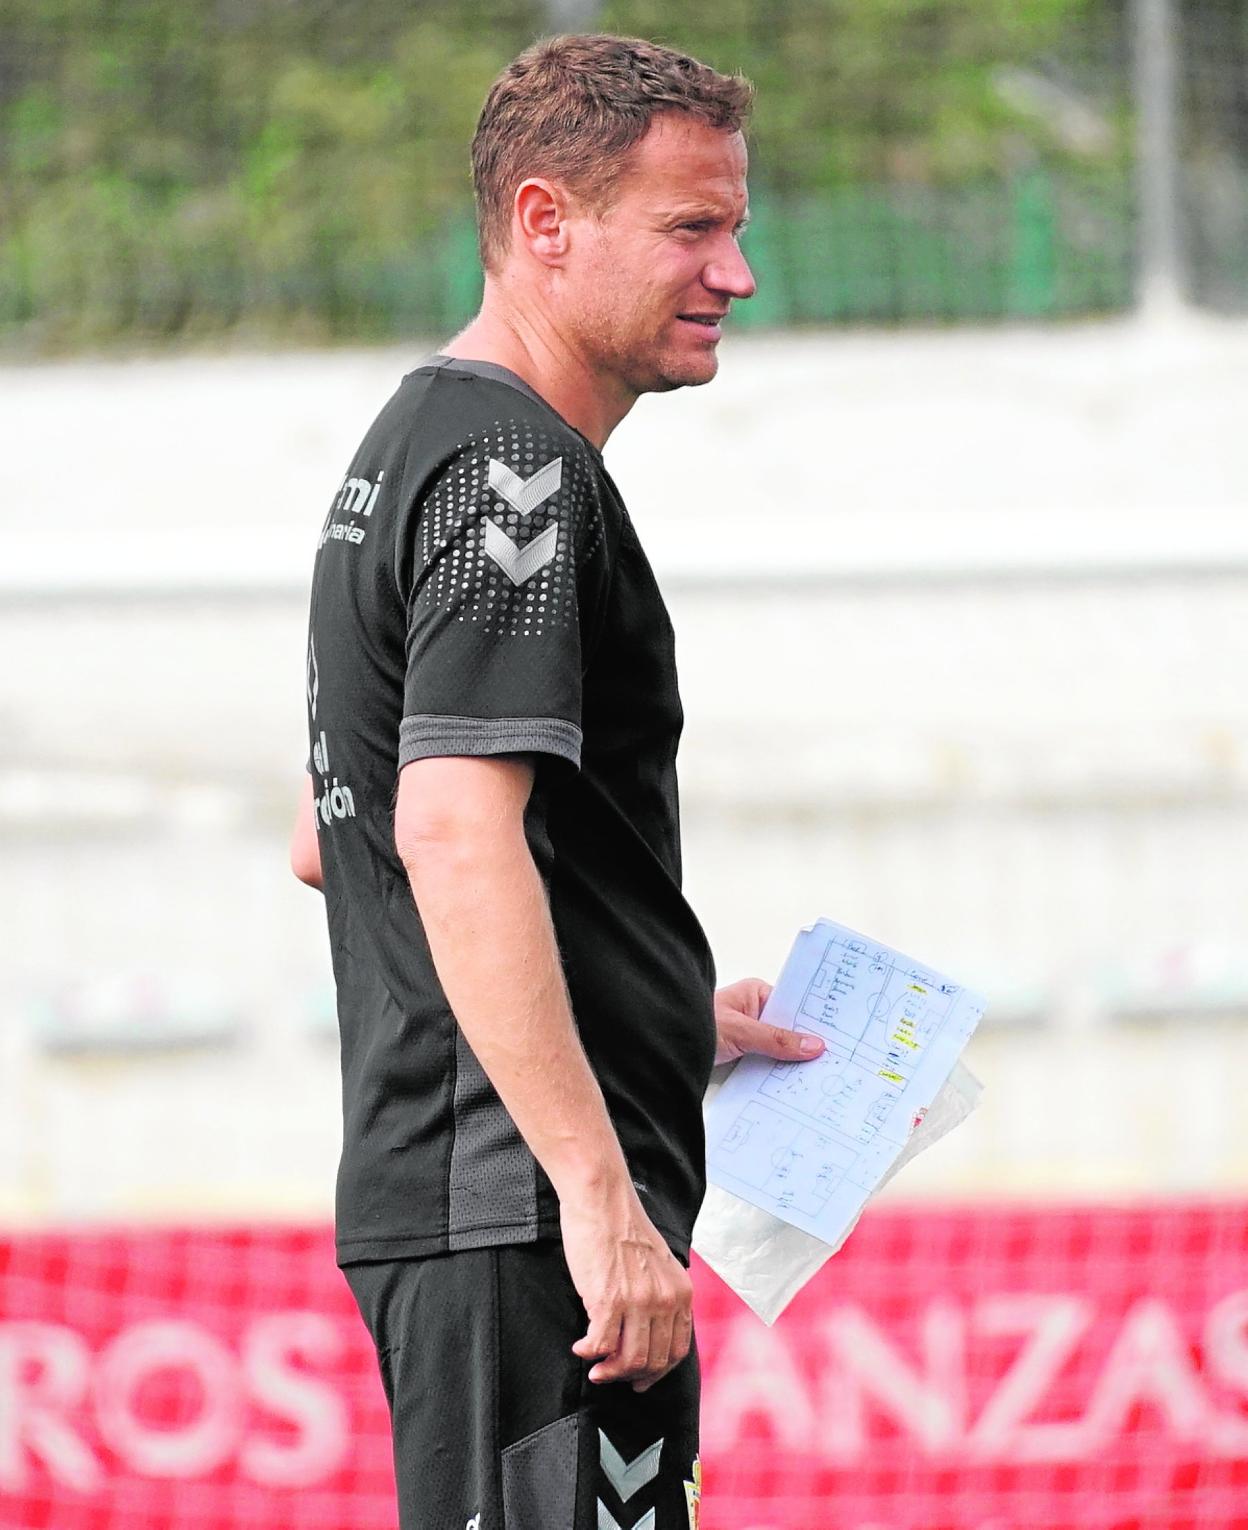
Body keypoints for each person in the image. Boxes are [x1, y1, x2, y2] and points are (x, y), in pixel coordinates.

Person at [289, 32, 824, 1530]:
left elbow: (332, 835)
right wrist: (596, 1197)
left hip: (480, 1206)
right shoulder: (517, 478)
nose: (738, 272)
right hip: (526, 1223)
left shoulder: (411, 451)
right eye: (690, 228)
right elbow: (447, 834)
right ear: (545, 224)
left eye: (736, 223)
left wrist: (647, 1011)